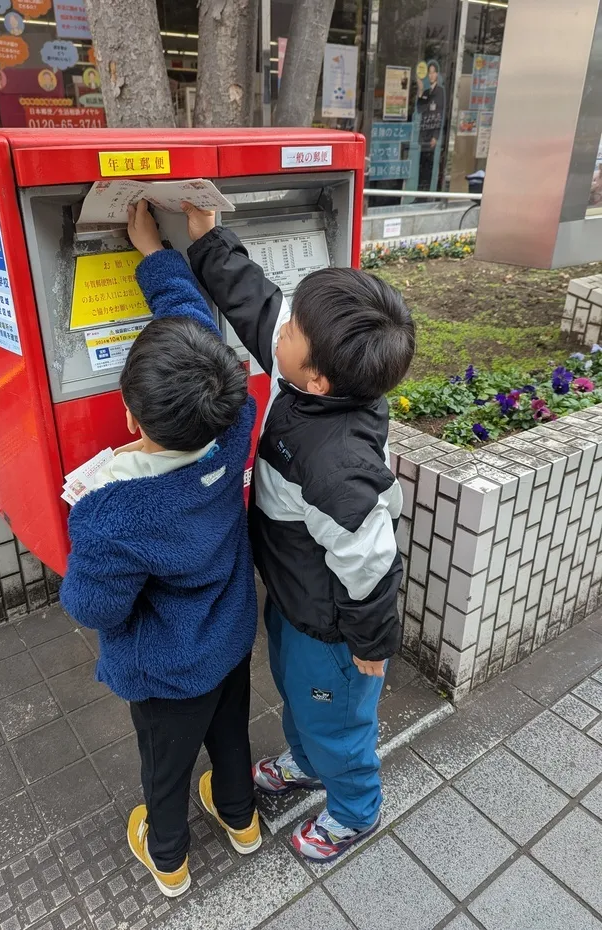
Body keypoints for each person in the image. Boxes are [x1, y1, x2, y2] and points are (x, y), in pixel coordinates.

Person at [183, 202, 415, 862]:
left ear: (314, 377)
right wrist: (207, 239)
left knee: (338, 719)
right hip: (294, 600)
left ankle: (354, 809)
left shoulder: (340, 470)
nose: (278, 331)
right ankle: (308, 761)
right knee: (298, 696)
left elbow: (372, 565)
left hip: (335, 633)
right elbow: (260, 308)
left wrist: (372, 645)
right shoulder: (315, 376)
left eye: (293, 333)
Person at [60, 201, 261, 898]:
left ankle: (168, 857)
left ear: (128, 413)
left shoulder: (111, 513)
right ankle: (241, 821)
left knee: (165, 769)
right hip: (230, 638)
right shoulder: (237, 422)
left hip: (168, 670)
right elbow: (194, 326)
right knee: (231, 738)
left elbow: (91, 605)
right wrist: (158, 255)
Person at [416, 61, 445, 191]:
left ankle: (425, 194)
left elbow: (439, 114)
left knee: (429, 164)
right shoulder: (427, 91)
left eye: (434, 72)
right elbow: (420, 109)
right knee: (421, 164)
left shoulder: (441, 92)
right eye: (430, 72)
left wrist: (435, 136)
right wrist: (420, 90)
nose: (431, 75)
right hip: (424, 132)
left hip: (432, 133)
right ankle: (419, 194)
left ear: (437, 74)